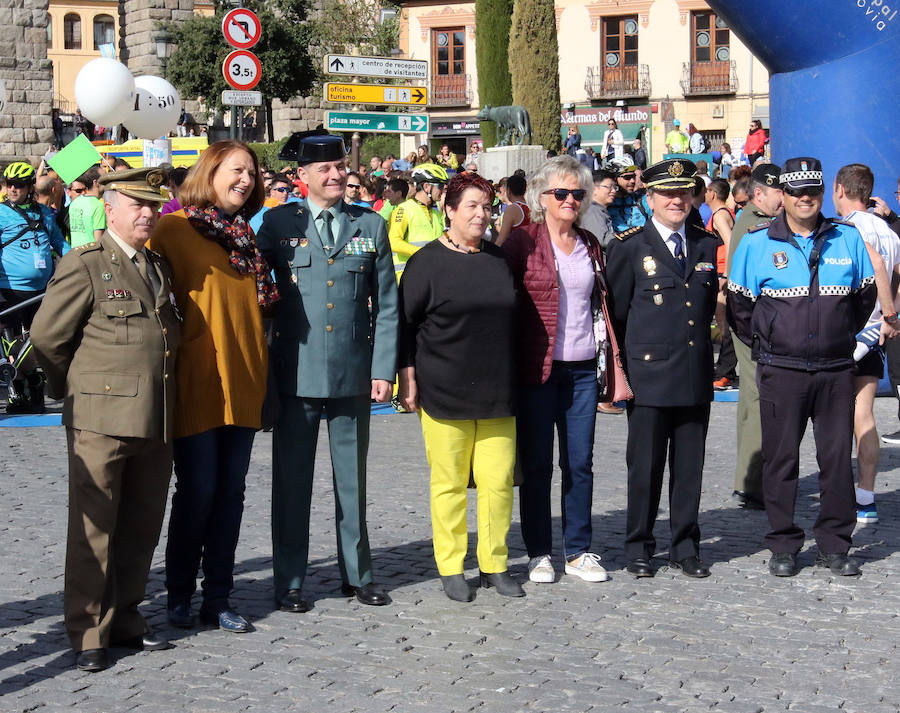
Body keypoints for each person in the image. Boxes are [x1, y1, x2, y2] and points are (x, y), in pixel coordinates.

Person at [29, 168, 181, 672]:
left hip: (154, 418)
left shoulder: (156, 265)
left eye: (153, 206)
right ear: (108, 208)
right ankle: (88, 630)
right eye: (136, 205)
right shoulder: (87, 264)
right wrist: (74, 390)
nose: (147, 214)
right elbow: (48, 338)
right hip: (100, 417)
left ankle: (126, 619)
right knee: (94, 529)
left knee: (140, 526)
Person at [257, 131, 398, 612]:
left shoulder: (371, 225)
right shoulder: (277, 224)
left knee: (352, 481)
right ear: (302, 177)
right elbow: (255, 293)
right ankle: (290, 580)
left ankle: (357, 575)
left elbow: (388, 306)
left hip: (352, 374)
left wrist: (383, 369)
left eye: (340, 167)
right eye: (325, 169)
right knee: (292, 484)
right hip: (296, 374)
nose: (336, 175)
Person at [727, 157, 876, 578]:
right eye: (796, 192)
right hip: (782, 370)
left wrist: (841, 342)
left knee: (834, 461)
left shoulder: (846, 239)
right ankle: (784, 544)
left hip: (834, 369)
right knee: (780, 460)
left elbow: (864, 300)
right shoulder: (757, 243)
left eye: (813, 190)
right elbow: (739, 308)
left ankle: (834, 545)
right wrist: (770, 344)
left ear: (823, 192)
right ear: (784, 197)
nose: (805, 198)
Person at [150, 140, 275, 634]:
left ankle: (218, 597)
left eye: (251, 172)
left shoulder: (243, 235)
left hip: (244, 381)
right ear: (210, 170)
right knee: (198, 491)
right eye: (236, 169)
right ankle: (179, 593)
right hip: (196, 381)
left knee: (231, 494)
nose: (245, 179)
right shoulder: (172, 230)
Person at [397, 171, 521, 602]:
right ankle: (451, 566)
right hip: (444, 390)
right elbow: (405, 327)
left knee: (497, 483)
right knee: (448, 484)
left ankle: (495, 563)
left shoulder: (499, 259)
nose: (481, 215)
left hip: (498, 391)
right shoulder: (425, 263)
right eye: (471, 206)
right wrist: (407, 377)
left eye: (487, 207)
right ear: (449, 210)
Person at [504, 154, 628, 586]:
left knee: (580, 463)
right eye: (562, 192)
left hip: (579, 371)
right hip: (536, 370)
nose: (571, 199)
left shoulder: (591, 244)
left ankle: (578, 550)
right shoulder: (521, 242)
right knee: (536, 464)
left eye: (578, 192)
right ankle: (539, 551)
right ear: (542, 197)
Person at [606, 159, 719, 579]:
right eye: (667, 193)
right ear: (649, 198)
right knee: (646, 467)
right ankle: (639, 545)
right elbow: (617, 314)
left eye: (683, 192)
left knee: (690, 467)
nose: (676, 200)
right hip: (649, 376)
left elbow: (704, 308)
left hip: (693, 373)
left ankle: (685, 546)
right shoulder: (629, 246)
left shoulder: (705, 245)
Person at [833, 163, 900, 524]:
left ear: (840, 190)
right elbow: (899, 280)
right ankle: (867, 497)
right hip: (875, 335)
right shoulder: (890, 233)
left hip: (845, 335)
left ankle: (840, 494)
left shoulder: (843, 230)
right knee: (864, 415)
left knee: (834, 419)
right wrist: (890, 318)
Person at [725, 163, 783, 510]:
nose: (785, 199)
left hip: (752, 323)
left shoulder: (754, 221)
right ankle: (754, 484)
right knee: (760, 399)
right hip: (755, 324)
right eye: (780, 193)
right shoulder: (757, 226)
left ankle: (748, 481)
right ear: (760, 194)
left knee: (751, 400)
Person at [0, 161, 70, 413]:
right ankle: (16, 390)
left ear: (30, 186)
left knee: (37, 339)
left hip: (40, 291)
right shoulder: (1, 213)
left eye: (18, 185)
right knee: (12, 343)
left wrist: (79, 263)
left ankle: (35, 383)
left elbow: (60, 244)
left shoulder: (44, 214)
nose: (12, 189)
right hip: (8, 290)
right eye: (9, 184)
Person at [388, 163, 448, 281]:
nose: (443, 190)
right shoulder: (403, 209)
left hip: (430, 275)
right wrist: (423, 253)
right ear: (426, 187)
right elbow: (393, 242)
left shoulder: (436, 212)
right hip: (407, 276)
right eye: (440, 186)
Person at [607, 158, 649, 233]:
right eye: (627, 177)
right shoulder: (605, 203)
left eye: (633, 176)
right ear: (614, 179)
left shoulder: (641, 199)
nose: (632, 181)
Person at [68, 167, 106, 248]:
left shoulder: (74, 203)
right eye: (105, 179)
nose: (107, 182)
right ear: (96, 182)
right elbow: (98, 240)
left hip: (75, 254)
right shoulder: (98, 206)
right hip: (91, 255)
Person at [579, 169, 617, 251]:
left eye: (614, 187)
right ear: (593, 188)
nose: (613, 191)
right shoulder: (591, 211)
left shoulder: (598, 210)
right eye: (609, 187)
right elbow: (603, 240)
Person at [495, 172, 529, 247]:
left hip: (518, 254)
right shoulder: (531, 206)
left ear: (508, 191)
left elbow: (501, 239)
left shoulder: (513, 208)